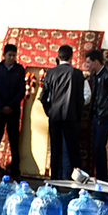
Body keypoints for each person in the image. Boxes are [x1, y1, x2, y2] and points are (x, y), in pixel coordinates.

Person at [39, 45, 84, 180]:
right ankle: (77, 184)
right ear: (71, 56)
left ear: (58, 56)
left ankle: (54, 181)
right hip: (71, 117)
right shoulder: (77, 74)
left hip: (55, 116)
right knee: (74, 152)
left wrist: (49, 111)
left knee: (55, 150)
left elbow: (43, 96)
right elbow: (80, 99)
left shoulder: (51, 73)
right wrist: (77, 115)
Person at [84, 49, 108, 182]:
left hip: (105, 115)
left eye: (89, 62)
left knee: (99, 146)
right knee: (96, 146)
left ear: (96, 62)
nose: (87, 65)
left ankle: (103, 178)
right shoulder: (95, 75)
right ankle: (100, 176)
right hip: (97, 114)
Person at [0, 43, 25, 179]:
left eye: (14, 55)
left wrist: (11, 105)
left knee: (14, 142)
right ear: (4, 55)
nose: (12, 57)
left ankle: (15, 172)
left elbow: (21, 90)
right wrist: (2, 105)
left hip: (13, 111)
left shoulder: (20, 70)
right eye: (10, 55)